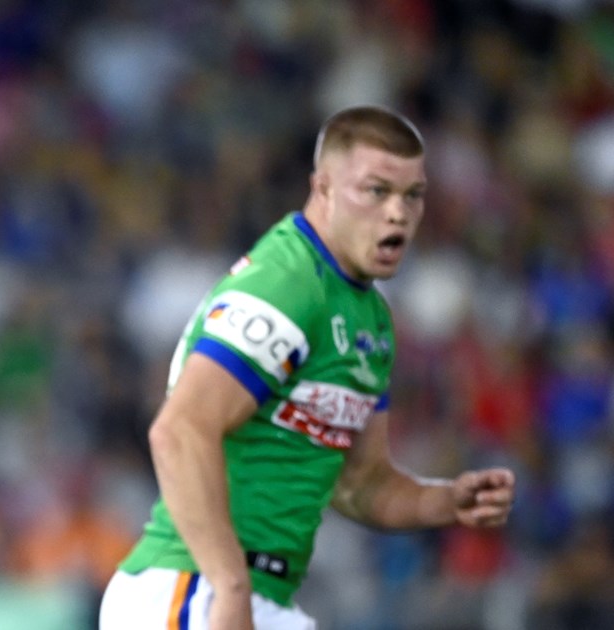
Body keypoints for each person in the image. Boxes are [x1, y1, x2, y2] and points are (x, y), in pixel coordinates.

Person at [99, 106, 516, 629]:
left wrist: (444, 501)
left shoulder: (371, 318)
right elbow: (178, 430)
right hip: (194, 587)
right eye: (376, 190)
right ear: (323, 189)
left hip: (259, 593)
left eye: (413, 194)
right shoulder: (289, 284)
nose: (398, 213)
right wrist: (230, 586)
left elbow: (361, 484)